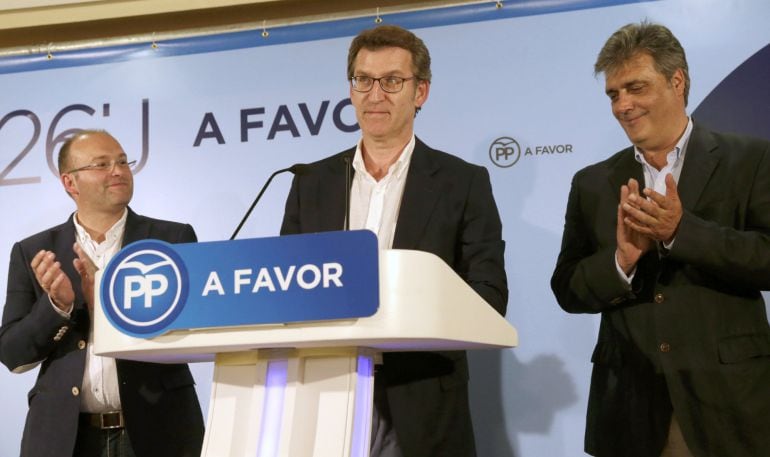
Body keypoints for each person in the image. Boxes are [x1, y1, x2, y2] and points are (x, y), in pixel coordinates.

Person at [281, 24, 507, 457]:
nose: (374, 94)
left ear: (420, 92)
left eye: (391, 81)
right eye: (363, 80)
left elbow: (489, 295)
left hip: (422, 398)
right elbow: (287, 287)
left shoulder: (462, 183)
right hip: (326, 396)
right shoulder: (310, 182)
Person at [551, 21, 770, 457]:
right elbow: (567, 288)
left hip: (729, 405)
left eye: (635, 88)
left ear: (677, 81)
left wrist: (681, 232)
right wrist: (621, 261)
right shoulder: (592, 182)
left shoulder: (751, 159)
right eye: (613, 94)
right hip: (630, 408)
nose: (623, 105)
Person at [0, 130, 204, 457]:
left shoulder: (171, 239)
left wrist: (110, 306)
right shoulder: (34, 251)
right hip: (63, 439)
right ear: (70, 183)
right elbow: (12, 354)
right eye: (102, 164)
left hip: (160, 430)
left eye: (123, 161)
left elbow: (195, 331)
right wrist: (57, 307)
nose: (119, 171)